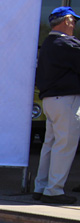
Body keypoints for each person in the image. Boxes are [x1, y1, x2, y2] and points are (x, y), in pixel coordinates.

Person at [34, 6, 80, 204]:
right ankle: (54, 191)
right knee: (65, 145)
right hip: (66, 100)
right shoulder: (66, 43)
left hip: (50, 101)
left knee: (50, 145)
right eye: (74, 20)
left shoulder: (48, 44)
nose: (75, 24)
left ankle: (41, 186)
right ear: (67, 21)